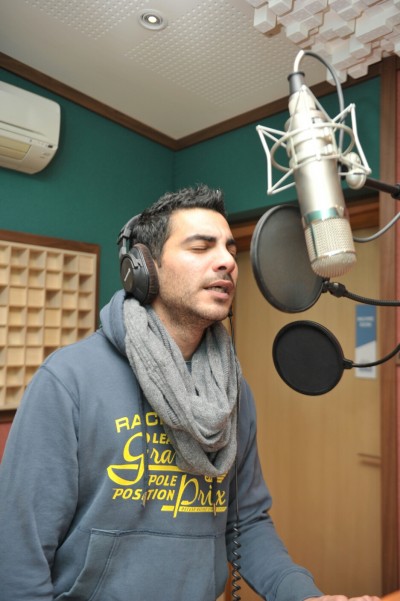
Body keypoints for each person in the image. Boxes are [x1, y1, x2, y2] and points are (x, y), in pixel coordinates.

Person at [0, 185, 380, 601]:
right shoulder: (68, 380)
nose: (227, 261)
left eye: (229, 249)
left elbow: (247, 522)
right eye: (201, 247)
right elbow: (18, 555)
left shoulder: (232, 392)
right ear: (144, 267)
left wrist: (304, 596)